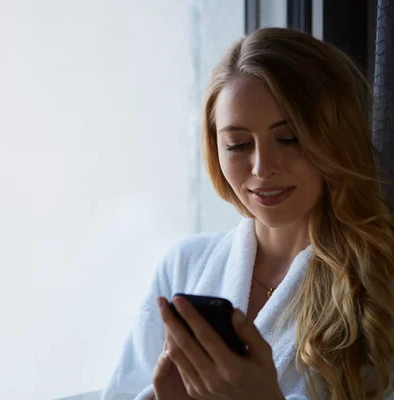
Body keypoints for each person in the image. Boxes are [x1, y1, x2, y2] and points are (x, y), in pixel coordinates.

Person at [100, 27, 394, 400]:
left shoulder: (380, 290)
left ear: (335, 137)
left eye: (288, 138)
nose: (261, 167)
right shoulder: (184, 268)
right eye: (237, 144)